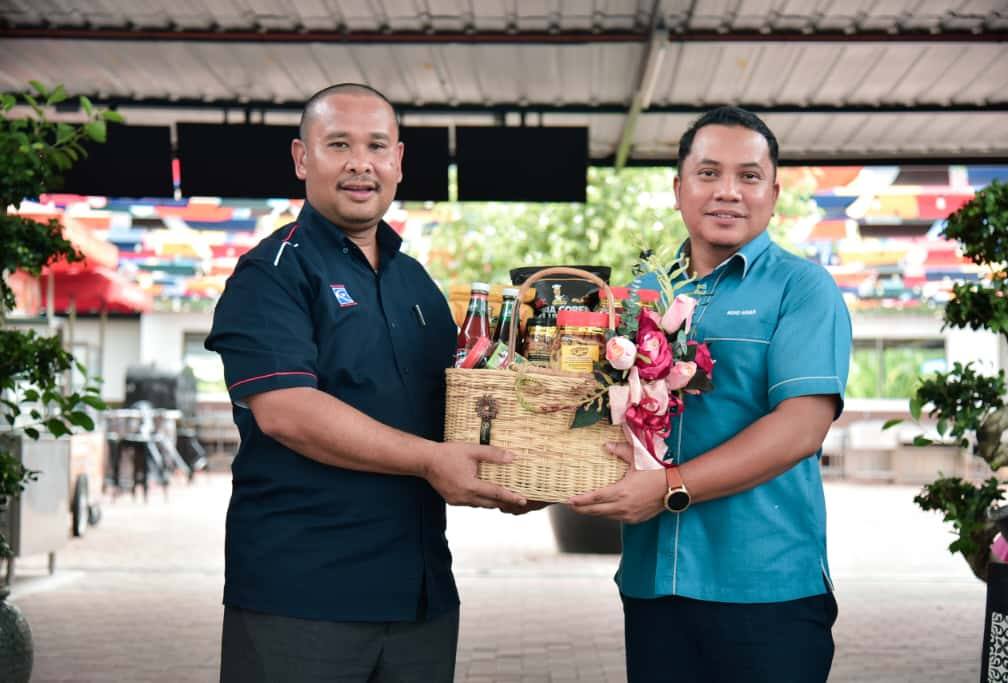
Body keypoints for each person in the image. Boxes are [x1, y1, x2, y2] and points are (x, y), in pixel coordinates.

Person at [205, 83, 527, 683]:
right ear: (302, 158)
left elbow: (457, 414)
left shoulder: (417, 284)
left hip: (420, 598)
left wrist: (522, 468)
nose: (361, 163)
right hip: (302, 598)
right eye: (338, 145)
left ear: (398, 161)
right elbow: (287, 411)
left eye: (377, 146)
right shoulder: (271, 273)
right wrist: (431, 460)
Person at [569, 106, 852, 683]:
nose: (728, 191)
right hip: (654, 582)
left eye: (749, 176)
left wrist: (668, 487)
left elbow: (802, 427)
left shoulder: (802, 289)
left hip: (765, 587)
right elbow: (604, 413)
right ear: (678, 189)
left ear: (773, 194)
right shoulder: (641, 295)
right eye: (708, 173)